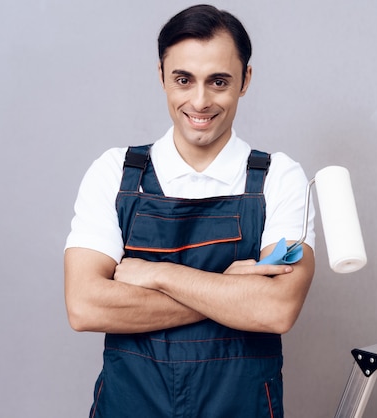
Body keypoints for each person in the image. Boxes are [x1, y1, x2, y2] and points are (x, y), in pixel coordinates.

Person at [64, 4, 315, 417]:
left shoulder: (281, 179)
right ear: (162, 75)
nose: (200, 102)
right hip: (130, 405)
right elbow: (85, 305)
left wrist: (157, 273)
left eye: (218, 81)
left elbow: (275, 309)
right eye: (184, 80)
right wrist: (228, 292)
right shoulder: (114, 172)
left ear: (245, 80)